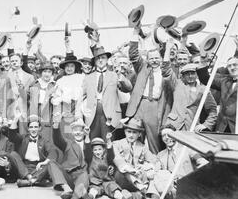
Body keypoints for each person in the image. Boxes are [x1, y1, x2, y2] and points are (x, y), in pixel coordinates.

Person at [125, 26, 172, 154]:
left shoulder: (166, 71)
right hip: (140, 105)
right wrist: (135, 33)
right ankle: (132, 161)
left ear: (161, 58)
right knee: (134, 136)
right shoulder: (142, 67)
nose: (154, 60)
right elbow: (133, 54)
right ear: (148, 59)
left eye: (157, 58)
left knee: (154, 139)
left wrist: (167, 46)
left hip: (155, 106)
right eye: (151, 58)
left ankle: (155, 163)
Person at [145, 124, 208, 199]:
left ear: (176, 135)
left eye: (169, 134)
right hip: (170, 191)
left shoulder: (187, 149)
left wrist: (197, 175)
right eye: (164, 136)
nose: (167, 138)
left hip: (187, 190)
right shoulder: (161, 155)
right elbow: (156, 174)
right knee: (157, 175)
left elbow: (202, 162)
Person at [163, 41, 218, 132]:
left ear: (197, 74)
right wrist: (167, 49)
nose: (190, 76)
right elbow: (166, 70)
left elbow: (213, 110)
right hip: (172, 126)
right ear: (183, 75)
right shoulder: (177, 84)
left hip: (192, 127)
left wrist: (205, 125)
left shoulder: (203, 89)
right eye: (187, 74)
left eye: (192, 73)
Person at [80, 46, 132, 141]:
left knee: (109, 143)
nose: (100, 60)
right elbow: (81, 97)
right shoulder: (88, 77)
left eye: (103, 58)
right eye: (98, 58)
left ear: (107, 60)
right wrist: (81, 112)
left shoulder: (114, 75)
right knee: (93, 143)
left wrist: (120, 76)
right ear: (94, 61)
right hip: (92, 116)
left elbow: (128, 88)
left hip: (110, 116)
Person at [6, 114, 61, 187]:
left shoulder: (44, 141)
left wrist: (44, 162)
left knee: (50, 164)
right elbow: (12, 136)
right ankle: (32, 178)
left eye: (36, 127)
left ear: (39, 128)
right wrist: (16, 119)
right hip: (23, 167)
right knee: (13, 154)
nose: (33, 129)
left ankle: (30, 181)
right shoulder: (23, 138)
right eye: (31, 127)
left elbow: (53, 152)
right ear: (28, 129)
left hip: (38, 168)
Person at [113, 118, 158, 199]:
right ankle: (143, 191)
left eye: (134, 132)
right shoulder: (117, 144)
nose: (131, 135)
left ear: (139, 134)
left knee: (151, 173)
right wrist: (133, 170)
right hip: (123, 178)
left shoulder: (142, 147)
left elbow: (154, 160)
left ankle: (137, 195)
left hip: (139, 178)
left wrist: (145, 166)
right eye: (129, 132)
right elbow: (119, 162)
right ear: (125, 132)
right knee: (124, 171)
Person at [87, 135, 138, 199]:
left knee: (114, 190)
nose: (97, 152)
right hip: (96, 182)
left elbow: (110, 152)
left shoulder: (107, 157)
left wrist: (108, 140)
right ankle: (88, 198)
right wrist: (87, 135)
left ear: (104, 149)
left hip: (107, 182)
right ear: (92, 150)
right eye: (95, 150)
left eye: (99, 149)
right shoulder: (90, 158)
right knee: (94, 190)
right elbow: (86, 149)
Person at [52, 118, 92, 199]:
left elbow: (89, 157)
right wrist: (56, 125)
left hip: (81, 175)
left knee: (84, 176)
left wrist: (88, 137)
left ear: (84, 132)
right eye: (75, 130)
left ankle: (75, 196)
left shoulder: (88, 143)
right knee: (52, 164)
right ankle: (69, 190)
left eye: (80, 131)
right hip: (68, 175)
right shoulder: (68, 143)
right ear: (72, 132)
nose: (78, 133)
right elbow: (57, 140)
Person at [196, 56, 238, 133]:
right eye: (229, 66)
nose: (232, 67)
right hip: (222, 127)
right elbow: (205, 79)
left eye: (235, 65)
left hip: (236, 127)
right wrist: (203, 61)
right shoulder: (224, 81)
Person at [51, 55, 84, 140]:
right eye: (67, 66)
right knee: (67, 133)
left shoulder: (81, 78)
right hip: (66, 110)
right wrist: (62, 99)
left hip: (79, 108)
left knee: (78, 133)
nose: (69, 68)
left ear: (75, 67)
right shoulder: (60, 81)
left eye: (72, 66)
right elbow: (55, 99)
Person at [28, 62, 58, 142]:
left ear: (52, 73)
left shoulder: (54, 85)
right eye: (44, 71)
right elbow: (27, 98)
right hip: (34, 110)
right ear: (41, 72)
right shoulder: (34, 83)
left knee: (46, 137)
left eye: (49, 72)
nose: (47, 74)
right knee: (33, 133)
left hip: (47, 112)